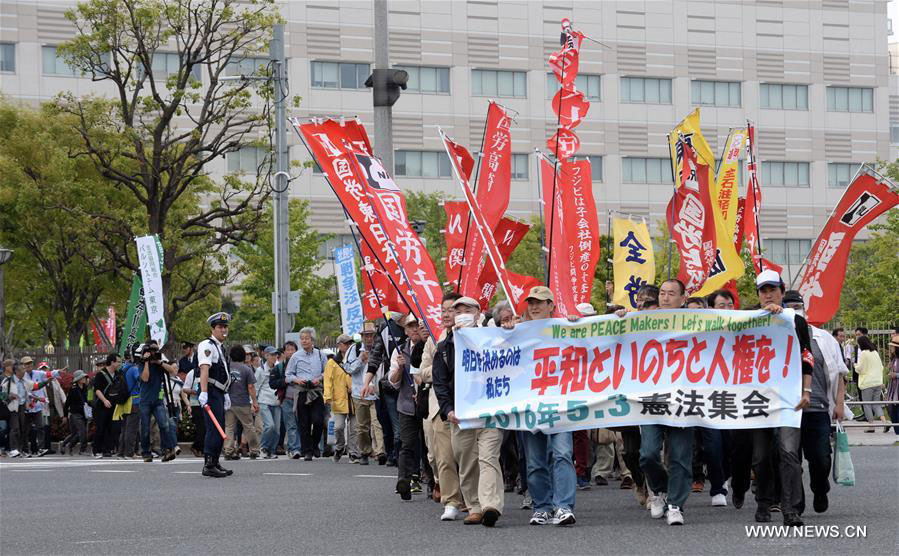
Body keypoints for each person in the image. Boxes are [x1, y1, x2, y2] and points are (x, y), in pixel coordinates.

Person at [750, 270, 814, 527]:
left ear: (782, 290)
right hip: (754, 397)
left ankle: (791, 509)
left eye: (772, 289)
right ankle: (764, 502)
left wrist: (806, 391)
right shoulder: (745, 318)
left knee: (789, 453)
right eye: (763, 290)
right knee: (761, 455)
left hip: (789, 396)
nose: (768, 294)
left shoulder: (795, 321)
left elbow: (807, 356)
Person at [433, 296, 505, 527]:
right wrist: (448, 409)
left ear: (479, 313)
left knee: (488, 457)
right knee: (466, 461)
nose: (462, 313)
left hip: (489, 411)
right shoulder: (445, 347)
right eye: (458, 310)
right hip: (461, 415)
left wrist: (509, 329)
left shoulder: (494, 339)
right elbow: (440, 383)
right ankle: (474, 506)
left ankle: (490, 505)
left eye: (468, 309)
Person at [516, 286, 578, 527]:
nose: (534, 306)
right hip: (530, 405)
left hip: (561, 403)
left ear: (551, 305)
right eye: (531, 302)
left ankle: (563, 506)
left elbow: (595, 344)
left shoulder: (566, 328)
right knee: (534, 460)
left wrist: (577, 325)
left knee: (562, 454)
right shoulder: (519, 332)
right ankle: (542, 507)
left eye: (540, 302)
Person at [783, 290, 848, 514]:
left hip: (818, 407)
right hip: (787, 410)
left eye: (797, 306)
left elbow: (840, 373)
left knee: (820, 457)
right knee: (791, 459)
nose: (793, 310)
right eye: (788, 306)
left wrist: (839, 404)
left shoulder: (824, 338)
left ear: (804, 308)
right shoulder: (775, 337)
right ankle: (795, 501)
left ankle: (820, 489)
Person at [639, 279, 694, 526]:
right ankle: (660, 489)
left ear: (683, 299)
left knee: (680, 455)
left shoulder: (696, 322)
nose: (665, 297)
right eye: (662, 293)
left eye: (672, 294)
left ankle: (675, 504)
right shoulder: (641, 322)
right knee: (648, 454)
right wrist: (619, 317)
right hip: (653, 397)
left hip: (683, 398)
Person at [420, 292, 465, 521]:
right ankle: (451, 501)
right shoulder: (434, 340)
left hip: (467, 405)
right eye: (444, 310)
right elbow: (421, 372)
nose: (447, 314)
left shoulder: (473, 335)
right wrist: (439, 364)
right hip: (439, 405)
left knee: (467, 457)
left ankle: (471, 499)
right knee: (443, 458)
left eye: (452, 310)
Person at [389, 314, 425, 500]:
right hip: (406, 405)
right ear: (405, 330)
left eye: (417, 326)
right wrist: (400, 368)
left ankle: (434, 483)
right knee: (407, 445)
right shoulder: (400, 351)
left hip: (427, 405)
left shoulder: (430, 346)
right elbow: (393, 382)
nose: (414, 330)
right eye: (410, 326)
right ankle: (403, 481)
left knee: (429, 448)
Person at [197, 312, 234, 478]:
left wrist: (225, 393)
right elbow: (204, 369)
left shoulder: (219, 347)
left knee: (220, 427)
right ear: (213, 328)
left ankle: (215, 461)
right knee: (214, 429)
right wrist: (204, 392)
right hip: (210, 391)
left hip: (218, 391)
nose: (223, 330)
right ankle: (209, 464)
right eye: (220, 327)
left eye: (225, 327)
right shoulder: (207, 345)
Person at [286, 327, 326, 460]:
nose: (304, 341)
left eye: (306, 338)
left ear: (312, 339)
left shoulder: (320, 355)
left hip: (316, 391)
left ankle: (314, 445)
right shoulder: (295, 356)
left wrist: (319, 379)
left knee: (318, 420)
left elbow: (327, 372)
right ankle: (307, 451)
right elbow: (288, 375)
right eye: (302, 338)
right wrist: (297, 380)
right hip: (302, 391)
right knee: (304, 423)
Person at [347, 322, 382, 465]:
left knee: (377, 423)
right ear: (361, 337)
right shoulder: (354, 349)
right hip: (359, 393)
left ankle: (381, 452)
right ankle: (365, 451)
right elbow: (348, 369)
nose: (369, 339)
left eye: (371, 335)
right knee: (362, 426)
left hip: (377, 392)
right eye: (366, 336)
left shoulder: (380, 347)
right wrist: (361, 360)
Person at [138, 342, 178, 462]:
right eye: (151, 351)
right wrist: (146, 362)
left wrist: (159, 362)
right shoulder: (141, 363)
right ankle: (146, 453)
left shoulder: (159, 363)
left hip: (157, 401)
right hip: (145, 401)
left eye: (155, 351)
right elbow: (145, 378)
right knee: (145, 428)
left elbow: (172, 371)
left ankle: (167, 450)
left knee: (164, 425)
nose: (154, 354)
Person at [224, 344, 260, 459]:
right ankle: (254, 450)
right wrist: (254, 402)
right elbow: (250, 387)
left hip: (228, 402)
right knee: (248, 426)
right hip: (242, 402)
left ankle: (228, 450)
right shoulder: (246, 369)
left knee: (229, 427)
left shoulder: (226, 367)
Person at [324, 334, 355, 462]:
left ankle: (354, 452)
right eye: (345, 343)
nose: (347, 346)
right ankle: (340, 447)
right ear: (339, 345)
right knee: (338, 427)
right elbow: (328, 380)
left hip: (354, 397)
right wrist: (327, 396)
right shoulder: (332, 362)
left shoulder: (354, 360)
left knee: (354, 428)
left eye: (349, 344)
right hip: (339, 398)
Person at [270, 340, 299, 458]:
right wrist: (285, 381)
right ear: (284, 352)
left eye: (293, 350)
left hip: (301, 399)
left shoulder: (302, 365)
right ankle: (294, 449)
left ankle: (301, 447)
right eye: (288, 350)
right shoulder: (279, 368)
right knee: (291, 425)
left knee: (301, 424)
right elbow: (272, 383)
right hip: (286, 399)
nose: (291, 352)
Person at [855, 335, 888, 433]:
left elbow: (861, 369)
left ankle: (871, 426)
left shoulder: (864, 354)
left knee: (867, 405)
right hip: (877, 382)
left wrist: (855, 366)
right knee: (876, 404)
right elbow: (881, 367)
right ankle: (885, 422)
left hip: (867, 383)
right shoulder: (875, 353)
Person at [92, 354, 121, 458]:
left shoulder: (118, 374)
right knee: (101, 427)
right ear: (112, 362)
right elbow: (97, 390)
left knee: (111, 428)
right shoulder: (101, 374)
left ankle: (107, 449)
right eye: (118, 362)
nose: (119, 364)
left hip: (114, 405)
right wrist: (104, 400)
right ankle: (96, 450)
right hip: (101, 405)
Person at [116, 351, 142, 459]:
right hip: (134, 402)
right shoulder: (134, 369)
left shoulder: (122, 369)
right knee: (132, 429)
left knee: (125, 428)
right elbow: (142, 381)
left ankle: (121, 453)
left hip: (124, 402)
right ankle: (129, 453)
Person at [257, 346, 282, 459]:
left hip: (276, 402)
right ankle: (263, 447)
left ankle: (271, 450)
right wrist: (254, 402)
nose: (273, 357)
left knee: (276, 429)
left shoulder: (279, 368)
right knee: (269, 426)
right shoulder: (260, 369)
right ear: (266, 356)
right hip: (264, 401)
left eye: (275, 354)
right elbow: (256, 386)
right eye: (271, 355)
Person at [60, 370, 90, 456]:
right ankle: (82, 450)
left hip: (84, 413)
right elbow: (67, 404)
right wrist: (65, 416)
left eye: (84, 377)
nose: (84, 378)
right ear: (78, 379)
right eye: (82, 377)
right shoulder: (73, 389)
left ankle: (66, 445)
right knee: (82, 431)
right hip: (75, 414)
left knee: (75, 433)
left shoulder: (85, 388)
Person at [886, 331, 899, 435]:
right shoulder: (894, 359)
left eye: (893, 347)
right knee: (893, 413)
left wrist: (896, 375)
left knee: (897, 413)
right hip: (893, 391)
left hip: (897, 392)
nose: (891, 349)